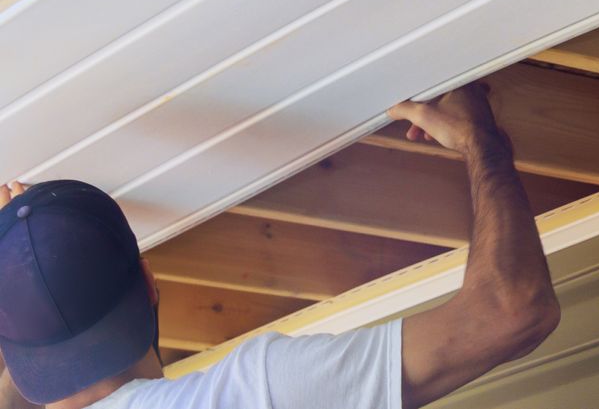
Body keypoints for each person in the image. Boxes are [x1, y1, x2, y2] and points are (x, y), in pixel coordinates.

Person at [0, 85, 560, 408]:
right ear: (148, 284)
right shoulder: (256, 393)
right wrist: (482, 143)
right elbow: (510, 312)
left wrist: (21, 271)